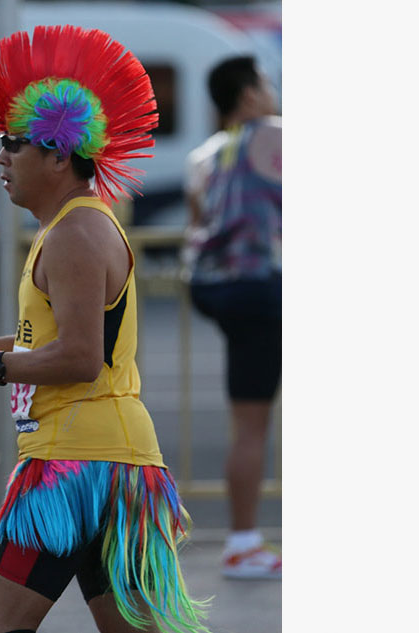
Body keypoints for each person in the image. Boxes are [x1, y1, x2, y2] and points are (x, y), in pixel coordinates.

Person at [0, 25, 210, 633]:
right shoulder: (70, 227)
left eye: (14, 144)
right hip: (109, 464)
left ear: (58, 154)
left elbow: (80, 358)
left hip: (76, 466)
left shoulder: (78, 232)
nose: (1, 158)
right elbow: (70, 339)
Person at [183, 56, 282, 580]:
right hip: (261, 288)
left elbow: (198, 217)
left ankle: (244, 541)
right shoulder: (272, 136)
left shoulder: (207, 153)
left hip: (216, 287)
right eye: (266, 84)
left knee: (247, 422)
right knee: (254, 425)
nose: (273, 93)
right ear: (247, 96)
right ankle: (243, 545)